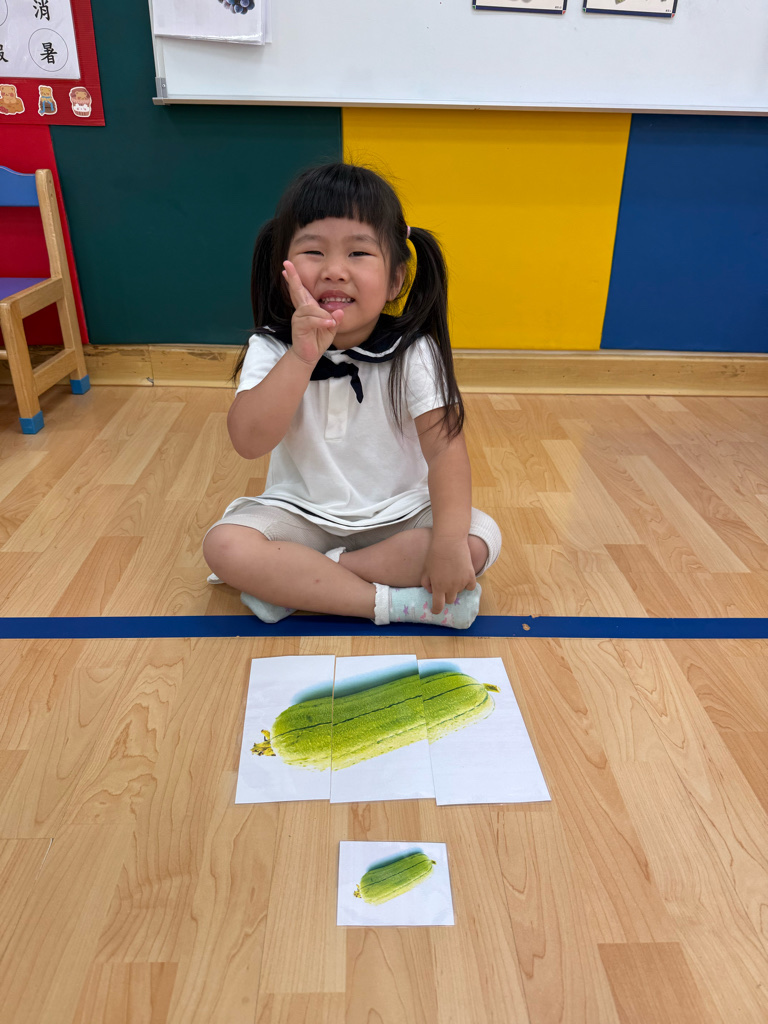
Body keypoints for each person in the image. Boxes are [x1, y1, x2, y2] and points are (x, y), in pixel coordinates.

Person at [203, 163, 501, 629]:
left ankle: (307, 582)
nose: (334, 271)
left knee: (475, 540)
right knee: (225, 546)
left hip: (398, 517)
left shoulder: (413, 350)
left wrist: (446, 544)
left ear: (396, 279)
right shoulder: (272, 346)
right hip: (302, 517)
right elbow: (248, 441)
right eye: (313, 251)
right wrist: (302, 356)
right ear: (284, 271)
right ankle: (390, 604)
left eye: (359, 252)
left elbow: (446, 451)